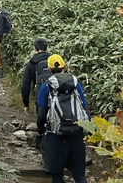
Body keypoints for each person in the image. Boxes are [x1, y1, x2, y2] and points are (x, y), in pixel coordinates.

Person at [36, 54, 90, 183]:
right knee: (79, 175)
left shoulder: (46, 86)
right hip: (76, 133)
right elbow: (85, 107)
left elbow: (41, 112)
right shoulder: (75, 83)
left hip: (56, 135)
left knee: (57, 175)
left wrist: (39, 130)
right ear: (64, 67)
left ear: (49, 69)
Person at [21, 38, 52, 114]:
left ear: (35, 49)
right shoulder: (53, 60)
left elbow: (25, 85)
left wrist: (26, 104)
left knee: (41, 120)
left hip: (40, 95)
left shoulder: (31, 64)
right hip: (56, 94)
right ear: (47, 48)